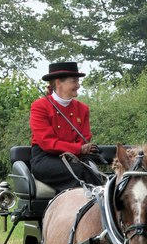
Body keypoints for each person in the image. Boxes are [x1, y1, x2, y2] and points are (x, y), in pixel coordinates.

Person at [30, 61, 103, 191]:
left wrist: (80, 150)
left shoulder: (83, 109)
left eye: (78, 81)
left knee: (90, 170)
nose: (78, 85)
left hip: (76, 159)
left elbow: (85, 137)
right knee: (80, 171)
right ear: (58, 83)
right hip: (45, 159)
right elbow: (47, 142)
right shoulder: (40, 106)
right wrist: (78, 149)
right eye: (74, 81)